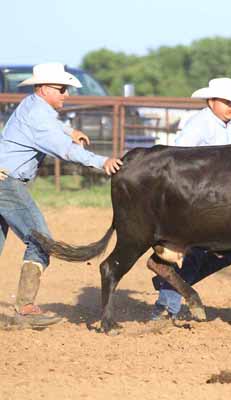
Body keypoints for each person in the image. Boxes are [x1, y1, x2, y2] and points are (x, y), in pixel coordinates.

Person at [0, 62, 122, 328]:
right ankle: (25, 309)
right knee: (42, 241)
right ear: (44, 89)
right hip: (6, 183)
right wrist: (101, 162)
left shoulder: (31, 104)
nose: (66, 94)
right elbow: (65, 151)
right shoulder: (39, 117)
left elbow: (52, 129)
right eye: (62, 88)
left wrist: (70, 131)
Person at [151, 77, 231, 320]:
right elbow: (179, 155)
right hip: (201, 196)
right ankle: (166, 305)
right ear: (211, 102)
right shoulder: (200, 124)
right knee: (199, 250)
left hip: (226, 197)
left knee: (229, 253)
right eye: (227, 101)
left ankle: (170, 283)